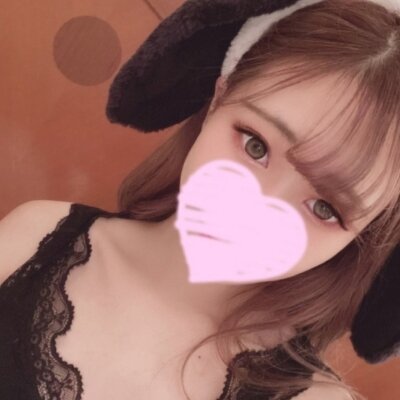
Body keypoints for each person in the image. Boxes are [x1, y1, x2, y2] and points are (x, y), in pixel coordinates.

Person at [1, 0, 400, 399]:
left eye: (325, 208)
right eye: (255, 146)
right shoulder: (36, 238)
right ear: (218, 99)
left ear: (362, 236)